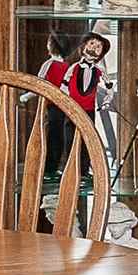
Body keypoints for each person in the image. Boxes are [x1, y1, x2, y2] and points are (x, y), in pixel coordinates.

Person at [34, 31, 109, 220]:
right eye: (92, 45)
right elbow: (64, 85)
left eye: (98, 47)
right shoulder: (73, 67)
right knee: (69, 140)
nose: (94, 49)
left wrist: (107, 98)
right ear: (83, 47)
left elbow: (108, 86)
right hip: (71, 109)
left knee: (87, 142)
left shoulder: (99, 71)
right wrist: (62, 102)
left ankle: (83, 172)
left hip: (89, 110)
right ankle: (69, 169)